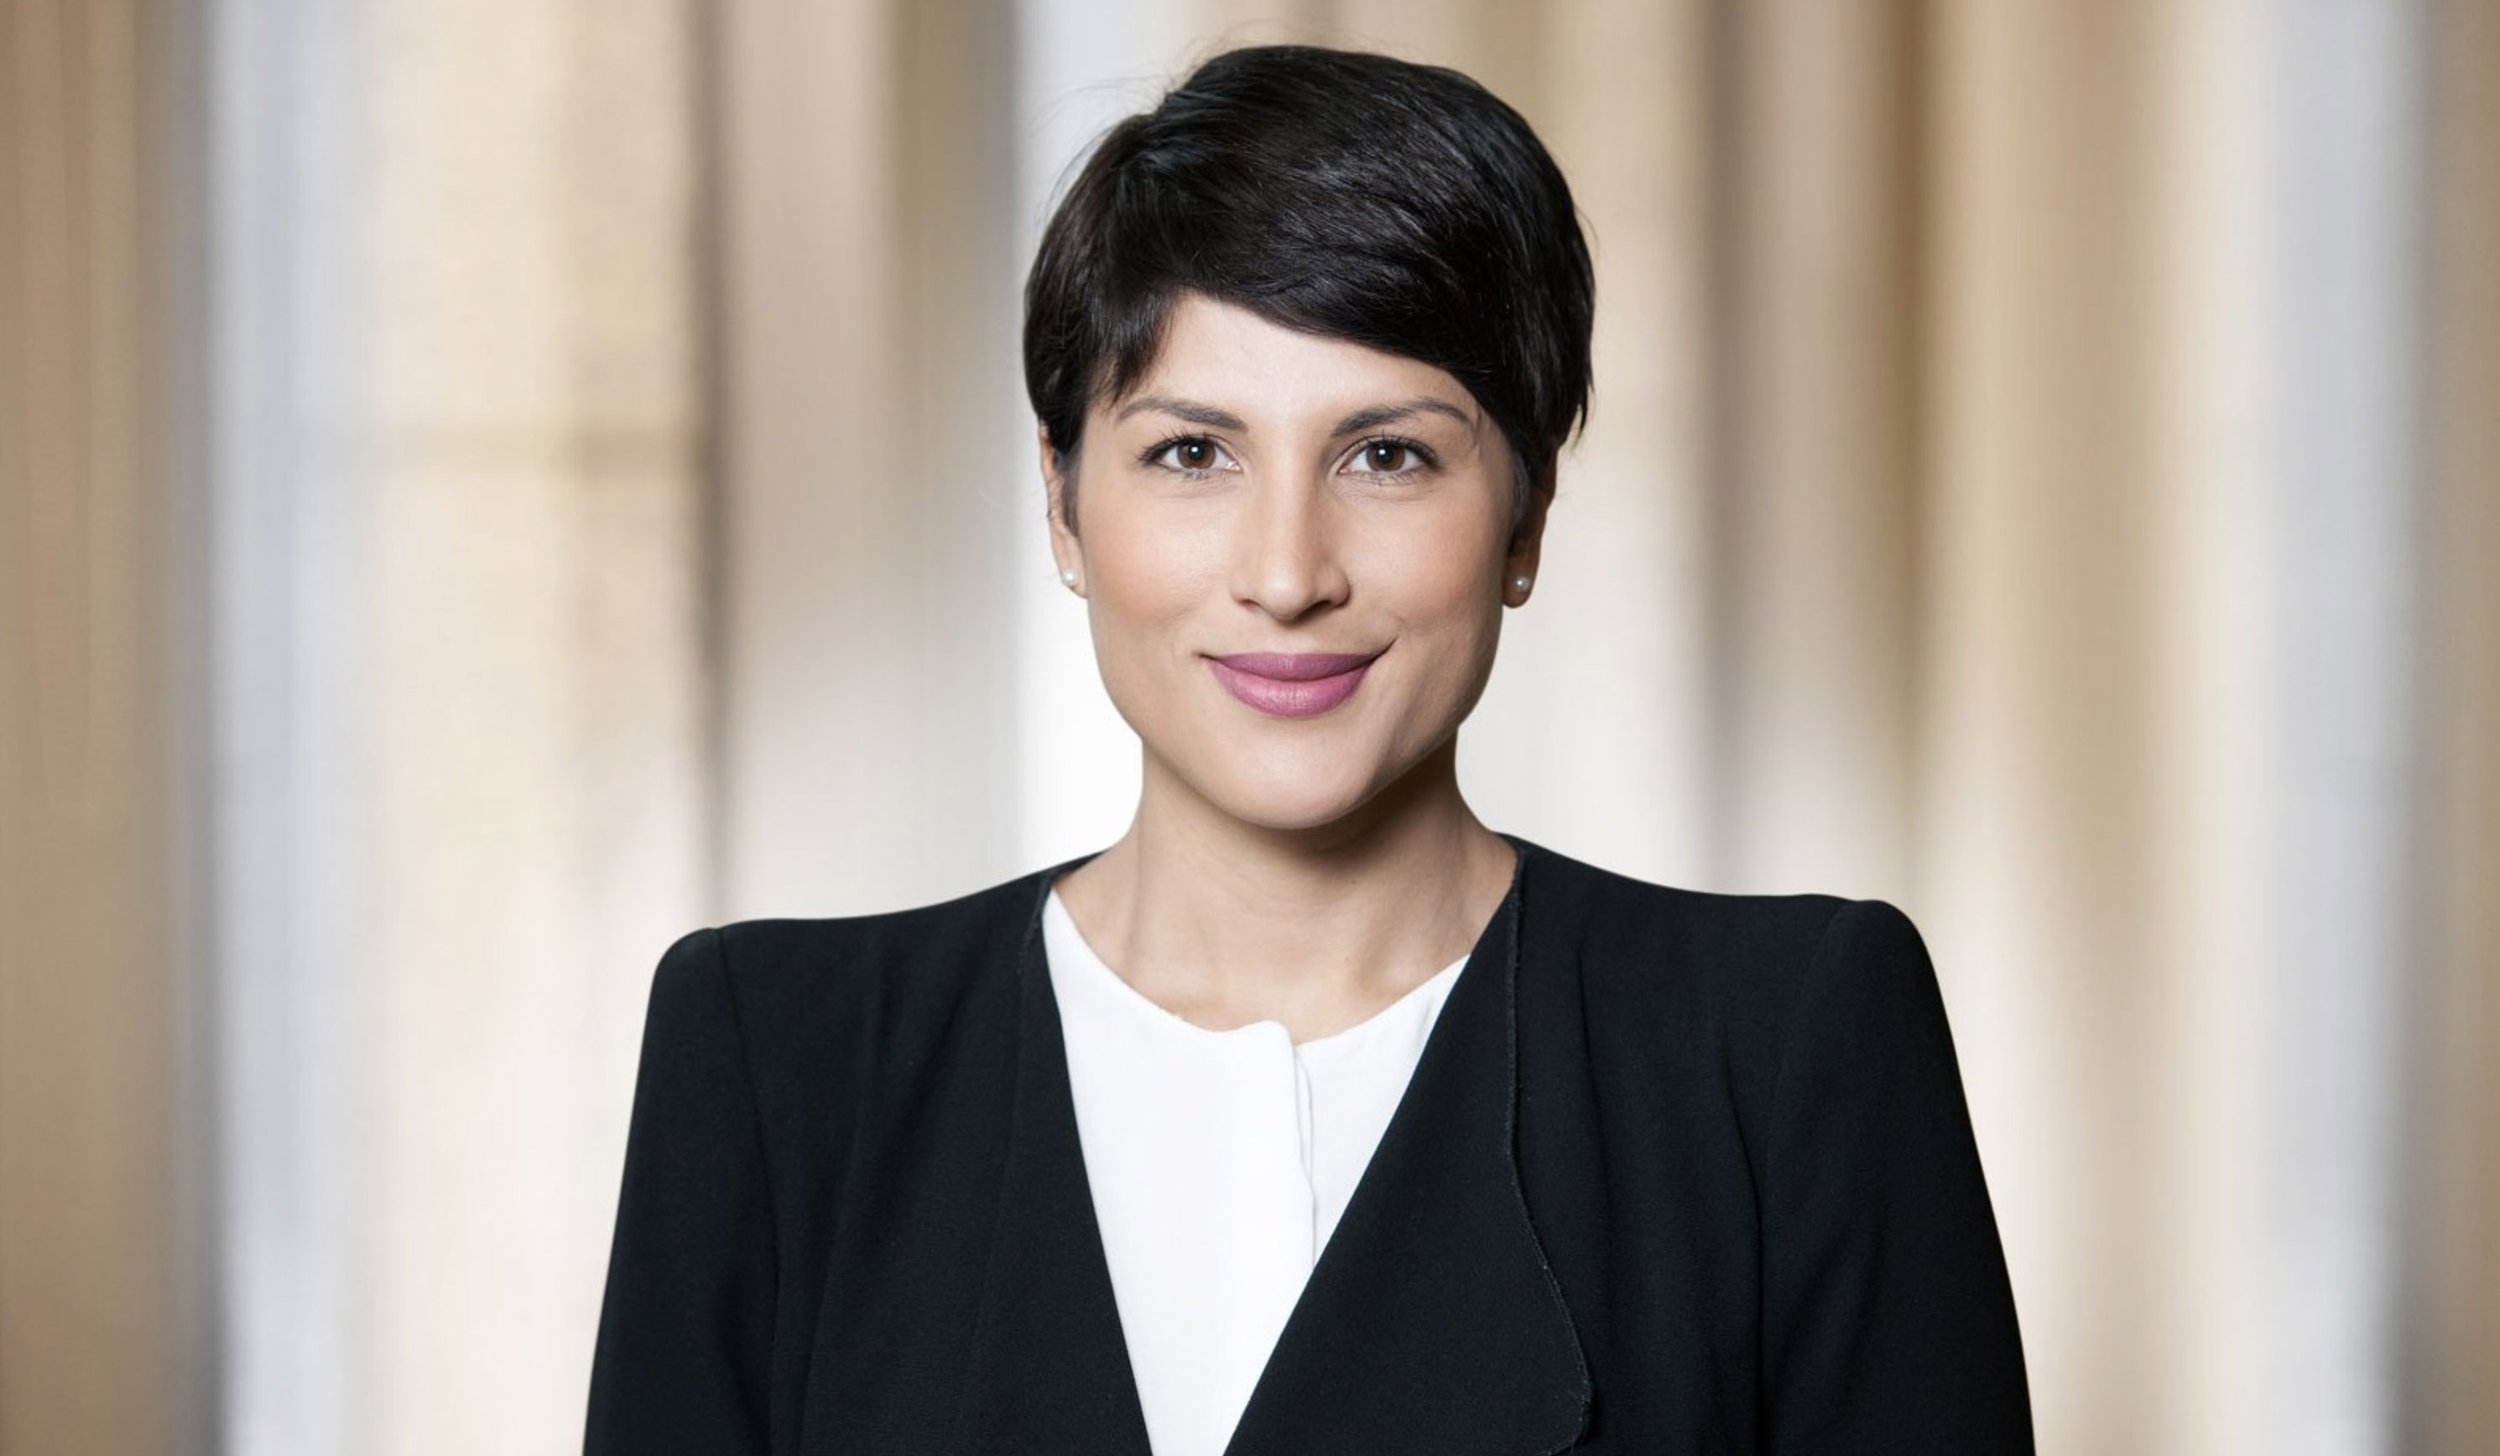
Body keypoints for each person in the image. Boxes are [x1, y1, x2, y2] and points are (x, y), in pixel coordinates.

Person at [583, 42, 2031, 1456]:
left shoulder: (1785, 1053)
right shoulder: (778, 1066)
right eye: (1191, 453)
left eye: (1387, 455)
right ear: (1062, 505)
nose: (1287, 574)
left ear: (1525, 518)